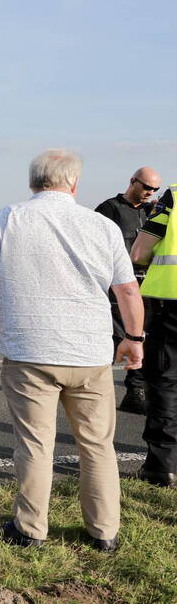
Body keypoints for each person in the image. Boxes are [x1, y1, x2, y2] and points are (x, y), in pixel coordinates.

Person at [0, 149, 143, 552]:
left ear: (33, 181)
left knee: (36, 444)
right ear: (73, 183)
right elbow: (126, 289)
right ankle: (104, 531)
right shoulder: (101, 225)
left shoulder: (9, 217)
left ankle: (31, 528)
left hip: (30, 350)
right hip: (89, 352)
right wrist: (134, 339)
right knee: (97, 445)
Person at [95, 167, 162, 414]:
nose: (150, 192)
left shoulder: (153, 211)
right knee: (127, 336)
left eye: (155, 189)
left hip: (150, 285)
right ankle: (133, 390)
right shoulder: (108, 209)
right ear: (132, 181)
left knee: (146, 337)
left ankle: (139, 388)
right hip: (120, 286)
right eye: (146, 187)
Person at [131, 183, 177, 488]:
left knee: (166, 384)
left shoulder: (173, 199)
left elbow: (139, 252)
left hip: (170, 305)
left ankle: (162, 468)